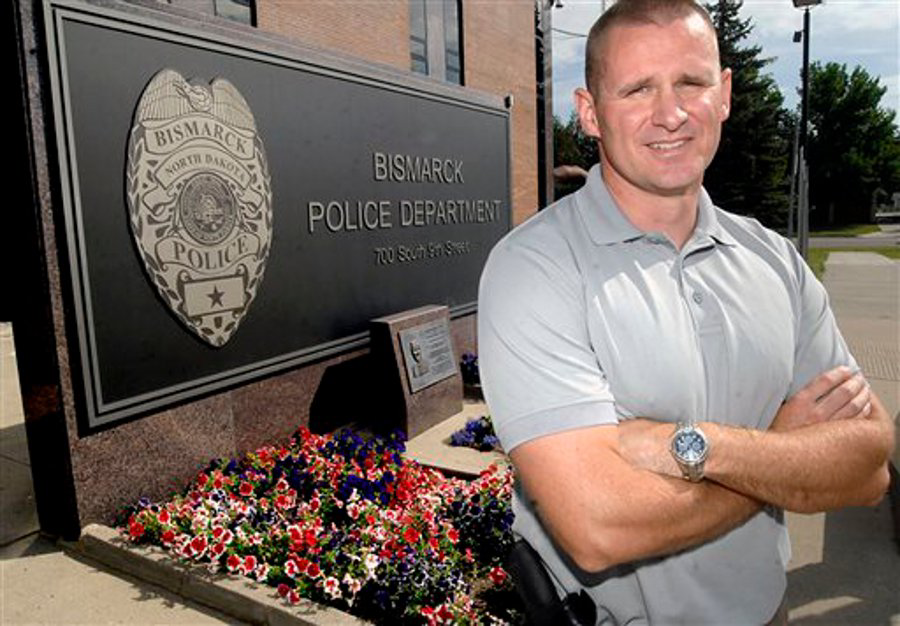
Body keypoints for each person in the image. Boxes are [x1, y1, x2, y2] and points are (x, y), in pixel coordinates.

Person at [477, 1, 895, 623]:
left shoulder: (774, 262)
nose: (670, 114)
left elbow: (867, 466)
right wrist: (786, 456)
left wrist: (690, 446)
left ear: (723, 94)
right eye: (638, 88)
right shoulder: (534, 270)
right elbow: (598, 530)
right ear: (590, 112)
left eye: (691, 83)